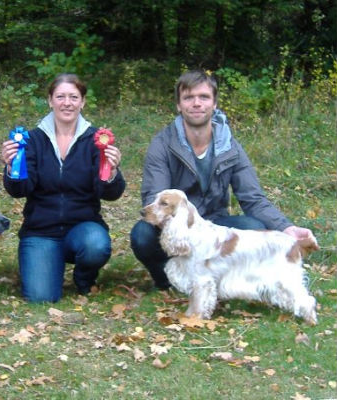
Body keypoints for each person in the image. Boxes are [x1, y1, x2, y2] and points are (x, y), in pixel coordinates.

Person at [130, 70, 317, 290]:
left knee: (255, 226)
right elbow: (154, 197)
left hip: (216, 223)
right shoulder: (162, 144)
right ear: (179, 106)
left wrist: (286, 228)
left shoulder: (231, 147)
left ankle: (222, 281)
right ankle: (169, 282)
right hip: (177, 223)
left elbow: (253, 199)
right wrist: (183, 227)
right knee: (142, 234)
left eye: (204, 97)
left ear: (214, 103)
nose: (196, 103)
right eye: (188, 98)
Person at [1, 73, 126, 302]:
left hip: (83, 228)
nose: (67, 103)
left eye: (73, 97)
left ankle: (84, 276)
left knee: (96, 244)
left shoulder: (96, 140)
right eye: (60, 96)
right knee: (41, 298)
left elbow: (111, 194)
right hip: (41, 231)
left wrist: (113, 171)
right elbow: (19, 190)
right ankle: (48, 263)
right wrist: (11, 167)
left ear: (82, 102)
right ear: (50, 100)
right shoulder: (32, 140)